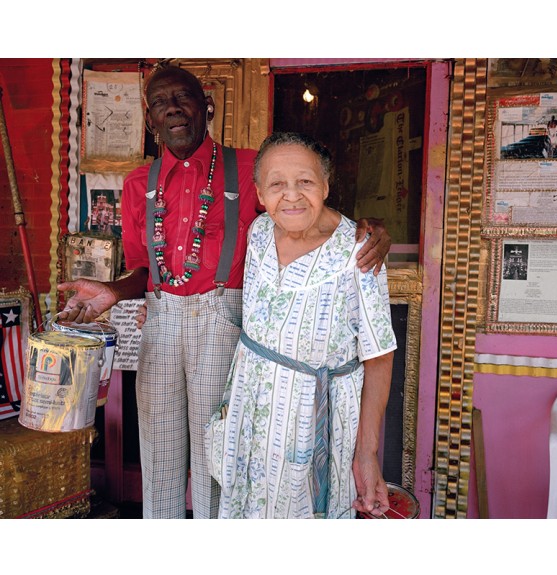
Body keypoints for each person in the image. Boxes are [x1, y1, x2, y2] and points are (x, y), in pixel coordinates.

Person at [57, 65, 392, 520]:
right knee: (158, 453)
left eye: (183, 98)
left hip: (221, 322)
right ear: (149, 117)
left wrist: (371, 229)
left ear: (207, 106)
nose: (172, 108)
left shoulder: (251, 167)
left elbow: (303, 206)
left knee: (218, 458)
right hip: (159, 321)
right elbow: (144, 271)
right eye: (159, 102)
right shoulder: (139, 184)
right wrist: (114, 292)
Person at [205, 132, 397, 519]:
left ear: (326, 186)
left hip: (314, 417)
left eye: (305, 182)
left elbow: (379, 354)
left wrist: (367, 452)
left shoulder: (360, 251)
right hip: (251, 411)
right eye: (277, 184)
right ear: (260, 193)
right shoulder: (258, 232)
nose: (291, 195)